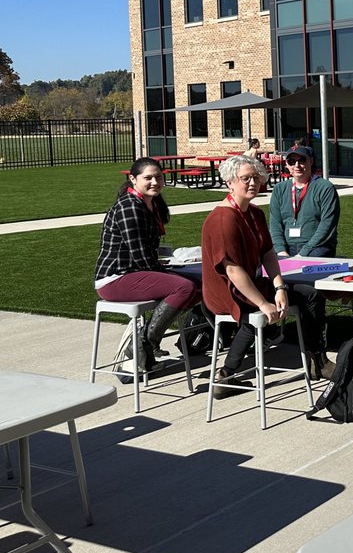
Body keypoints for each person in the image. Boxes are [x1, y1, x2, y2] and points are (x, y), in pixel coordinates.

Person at [201, 154, 334, 395]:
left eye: (256, 177)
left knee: (310, 294)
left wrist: (280, 287)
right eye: (245, 178)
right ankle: (227, 374)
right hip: (228, 291)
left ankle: (317, 360)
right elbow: (232, 270)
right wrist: (264, 302)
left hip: (253, 284)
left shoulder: (254, 213)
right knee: (255, 313)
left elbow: (268, 253)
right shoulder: (223, 218)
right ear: (230, 182)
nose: (252, 183)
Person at [96, 157, 201, 378]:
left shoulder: (150, 203)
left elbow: (147, 254)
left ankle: (149, 348)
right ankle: (141, 345)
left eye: (158, 177)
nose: (155, 182)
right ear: (133, 179)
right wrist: (166, 272)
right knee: (184, 288)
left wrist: (168, 266)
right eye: (148, 178)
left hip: (136, 271)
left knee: (200, 284)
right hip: (116, 278)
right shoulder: (129, 206)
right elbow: (140, 254)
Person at [268, 145, 340, 258]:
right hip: (287, 247)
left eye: (301, 160)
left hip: (317, 247)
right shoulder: (279, 189)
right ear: (286, 165)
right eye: (292, 161)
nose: (297, 165)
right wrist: (281, 250)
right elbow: (275, 224)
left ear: (310, 161)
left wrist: (303, 254)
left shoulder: (325, 187)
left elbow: (327, 225)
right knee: (260, 268)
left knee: (304, 270)